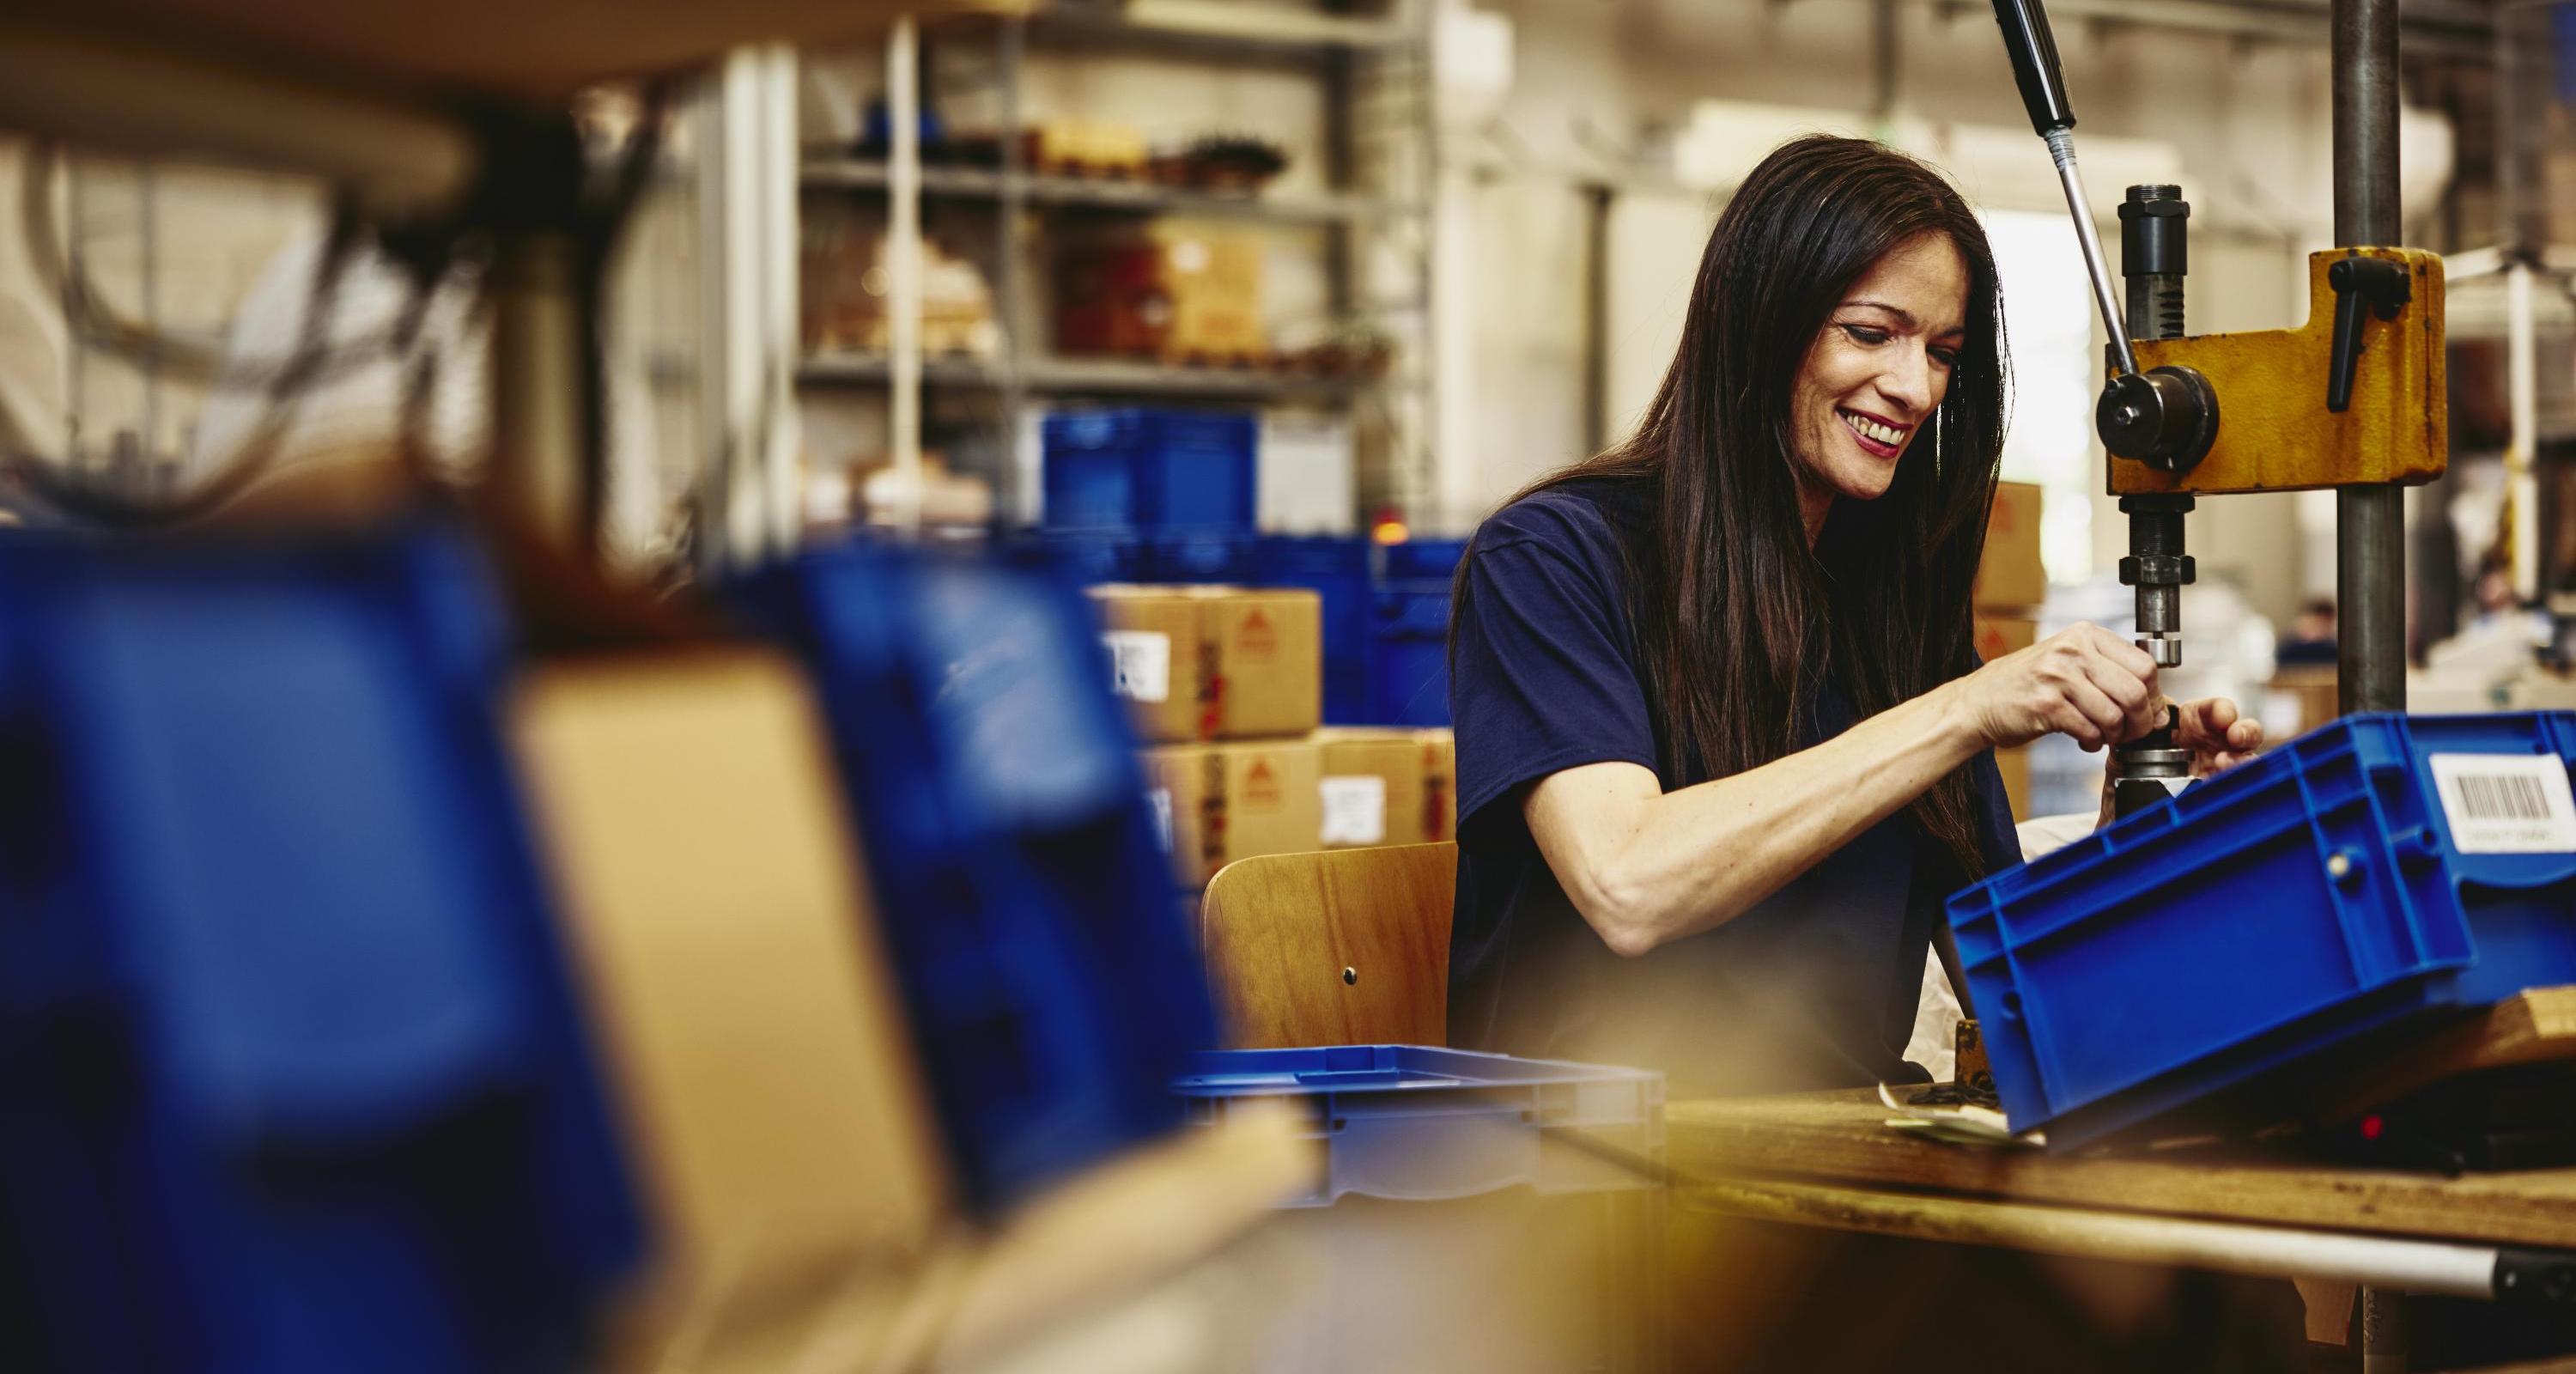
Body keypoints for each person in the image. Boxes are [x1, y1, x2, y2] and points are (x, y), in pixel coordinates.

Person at [1444, 136, 2264, 1097]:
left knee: (2211, 1244)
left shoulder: (1891, 606)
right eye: (1871, 333)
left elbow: (2024, 987)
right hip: (1601, 1189)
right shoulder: (1554, 560)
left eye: (1943, 352)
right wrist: (1968, 708)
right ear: (1762, 325)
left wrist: (2168, 827)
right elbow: (1628, 883)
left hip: (1845, 1170)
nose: (1915, 388)